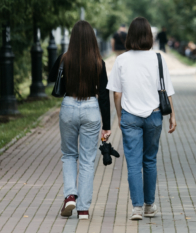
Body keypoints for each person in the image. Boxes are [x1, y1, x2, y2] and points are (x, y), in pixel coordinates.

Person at [108, 17, 178, 221]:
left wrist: (120, 117)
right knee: (149, 161)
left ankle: (136, 208)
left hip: (130, 116)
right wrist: (173, 114)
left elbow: (117, 94)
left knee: (133, 163)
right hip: (154, 115)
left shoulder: (121, 60)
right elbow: (167, 90)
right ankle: (149, 206)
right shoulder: (158, 58)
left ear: (129, 36)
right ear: (149, 36)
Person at [50, 20, 111, 220]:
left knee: (68, 155)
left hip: (68, 106)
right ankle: (83, 209)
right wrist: (107, 125)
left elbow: (51, 76)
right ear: (93, 39)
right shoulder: (98, 62)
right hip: (91, 109)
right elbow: (103, 94)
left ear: (73, 39)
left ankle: (70, 196)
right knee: (87, 160)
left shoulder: (64, 58)